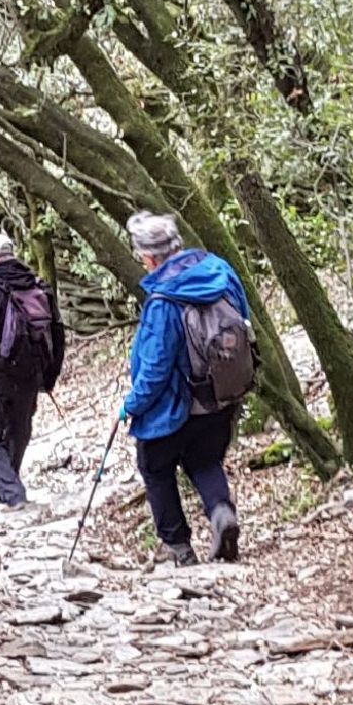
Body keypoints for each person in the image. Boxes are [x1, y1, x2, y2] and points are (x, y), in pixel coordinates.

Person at [122, 207, 252, 564]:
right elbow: (243, 319)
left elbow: (155, 368)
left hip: (174, 406)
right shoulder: (220, 272)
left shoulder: (163, 300)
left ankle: (178, 548)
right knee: (205, 460)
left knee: (155, 468)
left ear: (149, 257)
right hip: (220, 395)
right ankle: (222, 513)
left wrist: (131, 405)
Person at [0, 229, 65, 506]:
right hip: (29, 378)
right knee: (19, 433)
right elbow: (57, 335)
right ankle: (8, 489)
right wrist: (49, 376)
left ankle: (12, 494)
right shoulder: (40, 289)